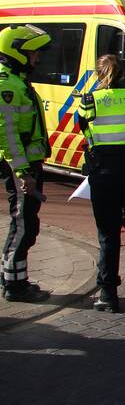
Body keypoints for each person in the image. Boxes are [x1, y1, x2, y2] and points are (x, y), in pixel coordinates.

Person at [77, 55, 125, 312]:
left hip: (106, 173)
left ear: (100, 75)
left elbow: (85, 129)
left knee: (109, 236)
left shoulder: (89, 101)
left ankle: (108, 294)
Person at [0, 25, 52, 303]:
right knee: (23, 225)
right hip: (22, 168)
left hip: (28, 164)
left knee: (27, 224)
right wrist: (22, 172)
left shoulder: (16, 80)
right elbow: (7, 135)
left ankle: (14, 278)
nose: (37, 59)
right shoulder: (6, 84)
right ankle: (14, 286)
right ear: (17, 52)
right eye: (33, 54)